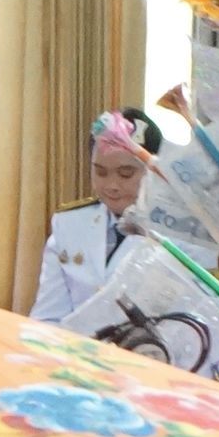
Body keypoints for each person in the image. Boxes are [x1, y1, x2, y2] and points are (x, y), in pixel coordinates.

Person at [29, 108, 162, 322]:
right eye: (100, 172)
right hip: (74, 342)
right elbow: (48, 316)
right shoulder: (70, 225)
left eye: (125, 174)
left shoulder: (178, 235)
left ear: (154, 171)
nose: (111, 185)